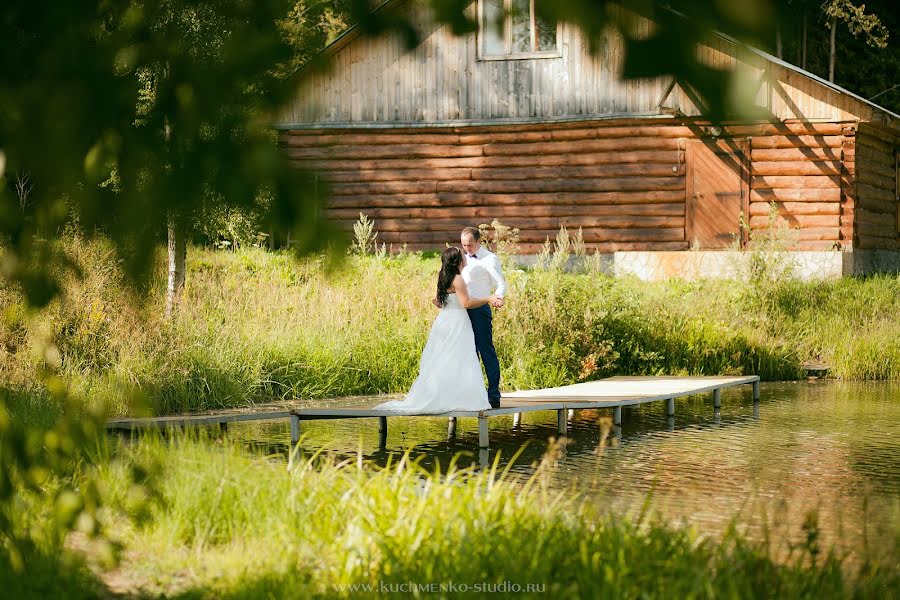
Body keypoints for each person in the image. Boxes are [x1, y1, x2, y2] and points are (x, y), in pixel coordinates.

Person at [374, 247, 501, 414]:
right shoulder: (458, 280)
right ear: (458, 261)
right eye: (463, 257)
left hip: (444, 321)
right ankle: (461, 398)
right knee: (462, 358)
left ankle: (443, 394)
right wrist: (488, 298)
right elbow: (466, 303)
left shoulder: (443, 277)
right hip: (457, 322)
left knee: (443, 357)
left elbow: (439, 301)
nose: (465, 259)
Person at [459, 226, 506, 408]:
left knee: (486, 351)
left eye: (470, 245)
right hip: (462, 310)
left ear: (479, 241)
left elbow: (500, 283)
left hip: (480, 310)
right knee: (468, 353)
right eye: (464, 245)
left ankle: (493, 395)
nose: (467, 249)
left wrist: (498, 298)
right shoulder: (462, 258)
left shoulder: (490, 259)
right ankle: (472, 394)